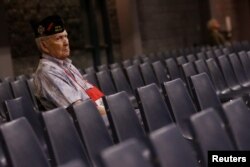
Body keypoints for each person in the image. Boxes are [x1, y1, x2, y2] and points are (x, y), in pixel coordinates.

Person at [31, 14, 106, 115]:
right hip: (83, 126)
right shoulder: (47, 72)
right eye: (59, 38)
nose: (66, 42)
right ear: (44, 45)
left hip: (96, 115)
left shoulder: (65, 64)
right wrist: (111, 112)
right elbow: (81, 110)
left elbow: (89, 92)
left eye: (66, 36)